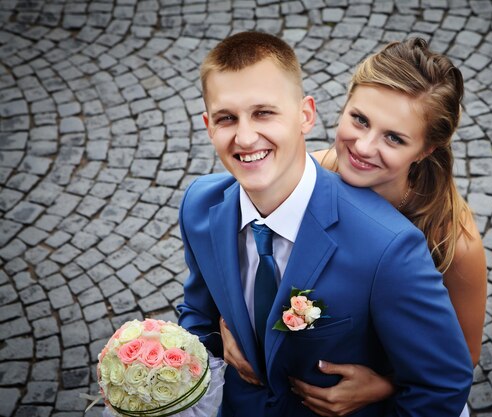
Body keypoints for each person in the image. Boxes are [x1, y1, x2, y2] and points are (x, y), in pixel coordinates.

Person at [176, 31, 473, 417]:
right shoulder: (200, 205)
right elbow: (198, 312)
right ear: (208, 125)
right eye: (227, 118)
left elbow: (444, 381)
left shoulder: (395, 245)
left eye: (264, 112)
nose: (246, 137)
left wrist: (386, 387)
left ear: (306, 115)